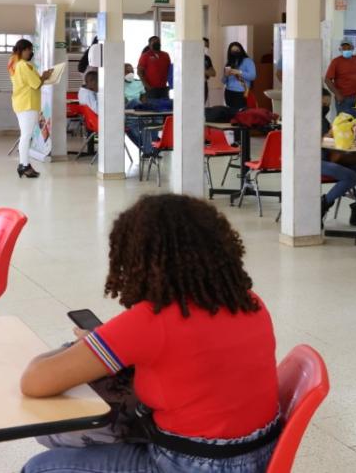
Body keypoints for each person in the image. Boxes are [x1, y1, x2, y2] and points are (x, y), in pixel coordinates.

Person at [19, 194, 280, 473]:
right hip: (261, 454)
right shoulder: (248, 301)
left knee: (41, 466)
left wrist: (83, 344)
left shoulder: (150, 321)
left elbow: (34, 381)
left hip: (192, 464)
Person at [10, 38, 53, 179]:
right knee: (26, 136)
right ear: (23, 50)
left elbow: (33, 81)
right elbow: (36, 84)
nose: (31, 52)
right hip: (27, 104)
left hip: (22, 102)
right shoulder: (23, 65)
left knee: (25, 135)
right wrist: (45, 77)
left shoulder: (15, 63)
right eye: (29, 50)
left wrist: (43, 77)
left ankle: (24, 164)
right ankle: (24, 165)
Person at [324, 40, 356, 114]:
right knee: (344, 121)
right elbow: (327, 80)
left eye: (348, 48)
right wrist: (337, 94)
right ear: (340, 50)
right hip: (344, 99)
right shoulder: (336, 62)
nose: (346, 50)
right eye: (344, 49)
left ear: (352, 48)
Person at [222, 42, 257, 109]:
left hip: (241, 92)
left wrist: (239, 72)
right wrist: (226, 75)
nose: (235, 52)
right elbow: (223, 81)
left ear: (241, 50)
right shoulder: (229, 62)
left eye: (237, 50)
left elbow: (253, 76)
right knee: (230, 114)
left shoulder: (248, 61)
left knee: (241, 114)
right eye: (232, 51)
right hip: (228, 92)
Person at [137, 35, 172, 100]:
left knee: (165, 108)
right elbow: (139, 72)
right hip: (151, 89)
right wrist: (147, 86)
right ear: (149, 44)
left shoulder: (166, 55)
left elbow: (170, 71)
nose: (157, 43)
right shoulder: (145, 56)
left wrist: (171, 84)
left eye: (158, 42)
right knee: (152, 107)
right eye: (154, 42)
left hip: (163, 88)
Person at [203, 37, 217, 103]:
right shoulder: (192, 57)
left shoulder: (207, 58)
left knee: (202, 105)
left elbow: (213, 73)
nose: (206, 48)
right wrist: (206, 71)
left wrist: (203, 71)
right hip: (194, 85)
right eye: (204, 46)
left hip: (204, 84)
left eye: (207, 46)